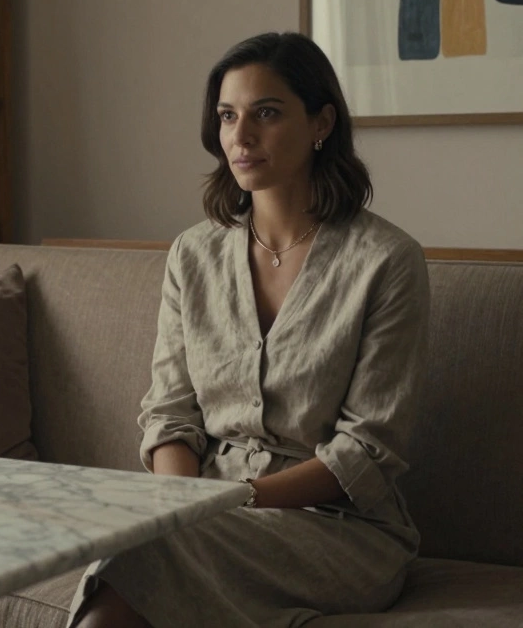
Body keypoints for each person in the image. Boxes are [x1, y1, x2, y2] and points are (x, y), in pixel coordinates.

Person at [69, 32, 431, 628]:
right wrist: (182, 505)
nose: (240, 137)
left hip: (338, 530)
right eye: (227, 116)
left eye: (266, 113)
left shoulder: (386, 261)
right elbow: (170, 413)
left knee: (141, 552)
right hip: (202, 515)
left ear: (321, 122)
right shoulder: (193, 254)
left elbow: (368, 450)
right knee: (137, 543)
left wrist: (218, 505)